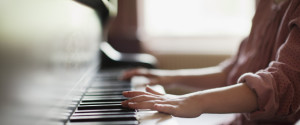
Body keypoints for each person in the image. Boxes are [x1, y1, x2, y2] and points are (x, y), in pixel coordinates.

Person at [121, 0, 300, 124]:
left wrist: (195, 101)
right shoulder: (265, 3)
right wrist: (169, 78)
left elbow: (281, 85)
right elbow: (233, 72)